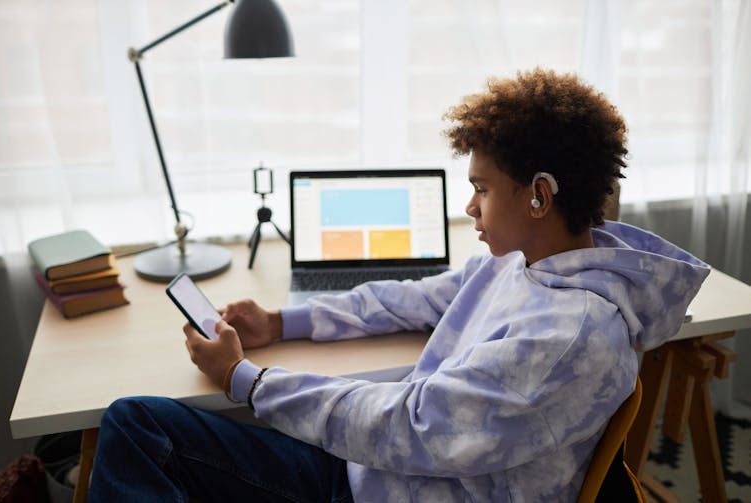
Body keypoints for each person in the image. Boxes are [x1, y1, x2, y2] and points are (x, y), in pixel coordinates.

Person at [89, 68, 709, 502]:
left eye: (483, 189)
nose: (470, 206)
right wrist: (282, 324)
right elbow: (415, 298)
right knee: (148, 427)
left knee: (135, 428)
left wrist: (244, 381)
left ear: (540, 196)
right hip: (386, 474)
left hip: (392, 486)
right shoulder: (531, 266)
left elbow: (408, 427)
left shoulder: (569, 335)